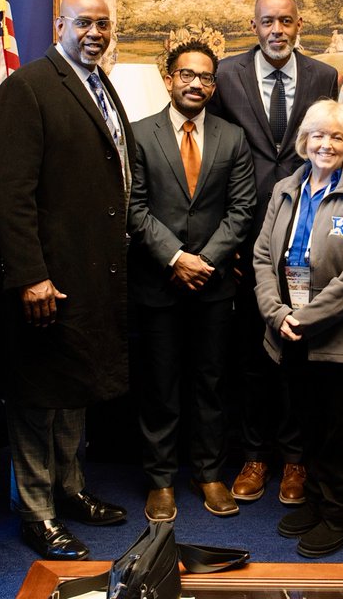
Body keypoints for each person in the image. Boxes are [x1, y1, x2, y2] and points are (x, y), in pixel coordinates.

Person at [0, 0, 131, 561]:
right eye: (83, 23)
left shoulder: (100, 83)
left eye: (103, 23)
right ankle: (37, 511)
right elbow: (12, 193)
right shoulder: (27, 88)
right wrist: (30, 276)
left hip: (90, 272)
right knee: (37, 394)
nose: (94, 32)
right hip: (43, 279)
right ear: (58, 25)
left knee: (77, 386)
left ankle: (70, 490)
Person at [205, 0, 340, 505]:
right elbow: (216, 154)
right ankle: (255, 455)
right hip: (246, 242)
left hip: (308, 238)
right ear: (254, 26)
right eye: (268, 22)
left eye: (286, 20)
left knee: (300, 357)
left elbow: (329, 147)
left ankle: (296, 461)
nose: (277, 29)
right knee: (251, 358)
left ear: (299, 24)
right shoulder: (227, 74)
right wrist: (226, 242)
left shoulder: (324, 77)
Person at [128, 40, 256, 522]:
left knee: (211, 382)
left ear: (213, 84)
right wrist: (175, 258)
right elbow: (133, 208)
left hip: (214, 285)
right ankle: (160, 481)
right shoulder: (139, 135)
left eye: (205, 77)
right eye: (186, 74)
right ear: (169, 79)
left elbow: (242, 209)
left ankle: (209, 474)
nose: (196, 84)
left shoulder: (232, 137)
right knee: (159, 384)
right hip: (157, 283)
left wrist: (204, 260)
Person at [253, 99, 343, 558]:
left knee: (342, 432)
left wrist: (304, 318)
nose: (326, 144)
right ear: (304, 141)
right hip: (289, 332)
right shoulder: (285, 188)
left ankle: (342, 517)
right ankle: (315, 503)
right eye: (317, 135)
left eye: (335, 136)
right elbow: (261, 257)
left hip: (340, 337)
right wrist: (277, 313)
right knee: (307, 426)